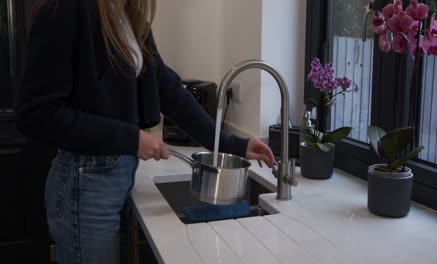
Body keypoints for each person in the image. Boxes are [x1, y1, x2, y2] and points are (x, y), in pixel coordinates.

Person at [15, 0, 276, 263]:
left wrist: (234, 144)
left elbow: (168, 89)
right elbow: (36, 114)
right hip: (83, 186)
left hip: (115, 179)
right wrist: (131, 138)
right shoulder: (64, 10)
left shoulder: (129, 15)